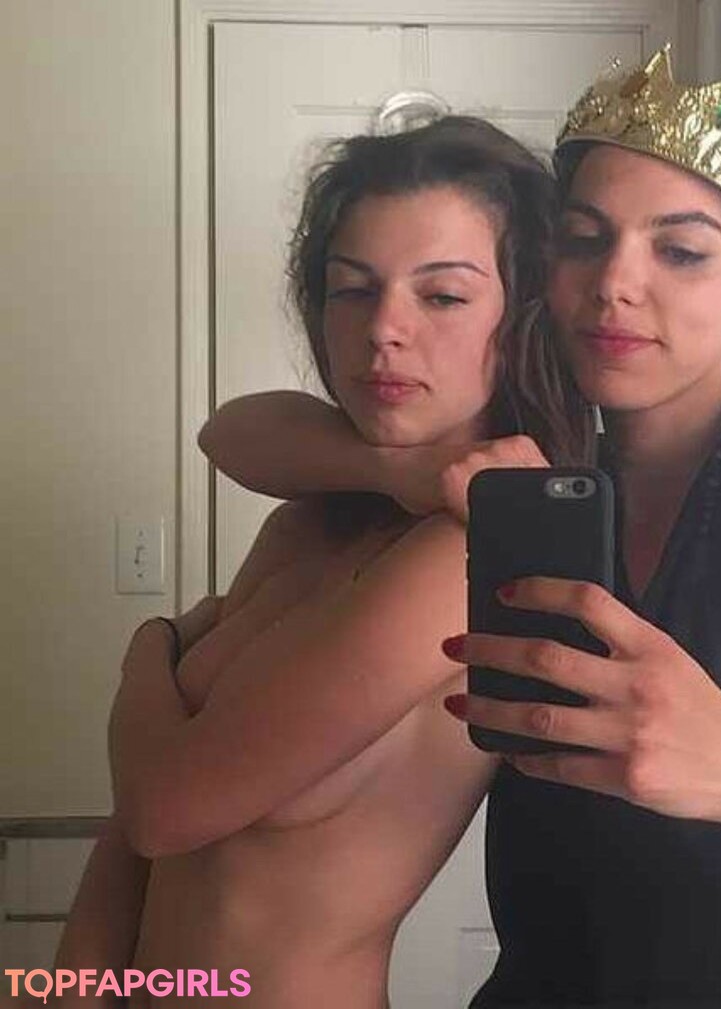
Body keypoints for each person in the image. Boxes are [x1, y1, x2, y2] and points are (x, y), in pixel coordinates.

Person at [200, 48, 721, 1008]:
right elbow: (243, 435)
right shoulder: (539, 474)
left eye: (680, 251)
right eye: (584, 241)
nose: (615, 283)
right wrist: (404, 469)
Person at [53, 116, 591, 1009]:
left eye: (443, 296)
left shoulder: (461, 560)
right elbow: (228, 430)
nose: (384, 329)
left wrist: (147, 648)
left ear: (522, 316)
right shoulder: (312, 519)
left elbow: (160, 806)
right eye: (352, 288)